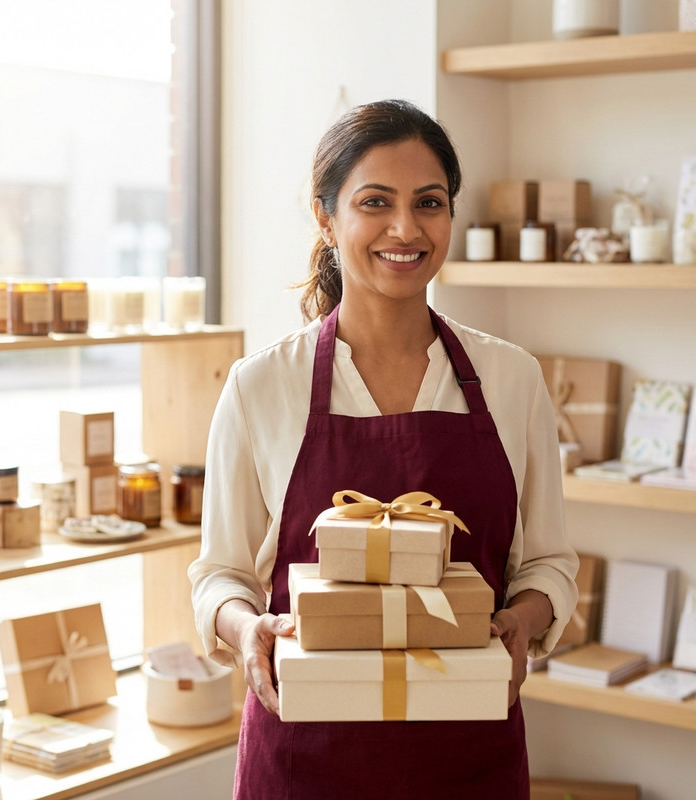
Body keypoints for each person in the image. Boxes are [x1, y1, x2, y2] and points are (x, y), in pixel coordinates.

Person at [189, 98, 579, 799]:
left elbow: (548, 563)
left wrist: (524, 619)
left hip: (469, 755)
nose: (406, 229)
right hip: (304, 755)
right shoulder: (261, 385)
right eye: (376, 202)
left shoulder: (511, 378)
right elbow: (220, 574)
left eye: (429, 202)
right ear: (325, 216)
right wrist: (246, 630)